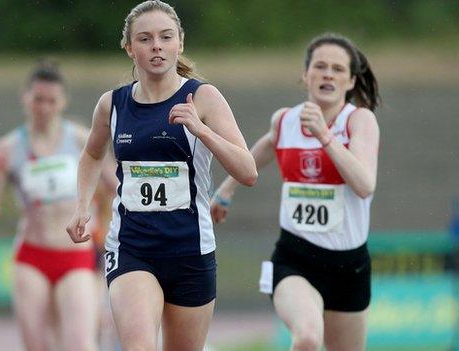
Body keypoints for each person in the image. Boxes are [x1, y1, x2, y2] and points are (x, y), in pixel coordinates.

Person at [66, 1, 257, 350]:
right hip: (132, 248)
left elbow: (247, 171)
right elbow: (92, 153)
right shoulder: (112, 104)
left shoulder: (202, 97)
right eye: (145, 38)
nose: (156, 45)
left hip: (190, 250)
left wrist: (203, 131)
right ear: (130, 48)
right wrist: (82, 206)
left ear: (179, 43)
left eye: (166, 37)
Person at [211, 32, 380, 351]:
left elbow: (364, 184)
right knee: (307, 337)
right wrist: (225, 189)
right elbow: (265, 147)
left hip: (349, 266)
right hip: (295, 260)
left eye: (337, 69)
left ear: (351, 81)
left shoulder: (359, 122)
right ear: (305, 76)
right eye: (319, 66)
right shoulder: (285, 120)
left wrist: (325, 137)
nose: (327, 73)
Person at [0, 60, 116, 351]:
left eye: (51, 101)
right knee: (38, 345)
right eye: (38, 99)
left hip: (76, 254)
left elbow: (116, 184)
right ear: (26, 98)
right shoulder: (7, 149)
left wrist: (106, 225)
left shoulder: (81, 139)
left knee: (80, 344)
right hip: (32, 254)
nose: (44, 107)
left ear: (63, 102)